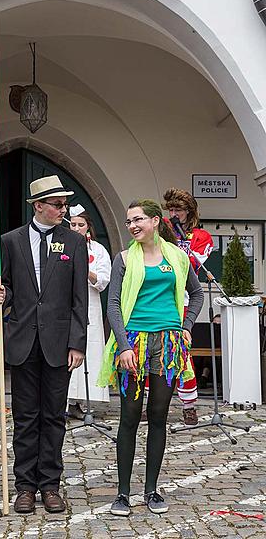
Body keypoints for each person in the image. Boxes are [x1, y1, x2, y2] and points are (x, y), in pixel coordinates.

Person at [98, 199, 203, 517]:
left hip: (169, 344)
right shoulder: (124, 258)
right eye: (129, 221)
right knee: (129, 417)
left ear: (156, 221)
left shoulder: (177, 257)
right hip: (135, 343)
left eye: (138, 219)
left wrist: (186, 326)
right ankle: (123, 493)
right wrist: (124, 345)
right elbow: (113, 303)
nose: (132, 225)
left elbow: (195, 293)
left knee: (158, 417)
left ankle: (152, 490)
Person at [0, 175, 88, 515]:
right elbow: (6, 286)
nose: (64, 209)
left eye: (65, 204)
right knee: (25, 416)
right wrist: (2, 297)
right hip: (22, 340)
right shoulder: (10, 240)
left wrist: (77, 342)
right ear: (39, 206)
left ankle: (50, 484)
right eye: (58, 204)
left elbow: (80, 298)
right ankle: (24, 486)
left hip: (58, 342)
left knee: (53, 416)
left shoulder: (74, 243)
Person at [164, 187, 213, 424]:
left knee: (181, 351)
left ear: (189, 212)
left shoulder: (201, 236)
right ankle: (155, 403)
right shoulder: (163, 228)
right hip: (160, 297)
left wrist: (181, 238)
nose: (174, 214)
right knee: (155, 349)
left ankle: (189, 404)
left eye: (179, 210)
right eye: (171, 209)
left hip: (182, 298)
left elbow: (194, 263)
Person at [67, 204, 111, 418]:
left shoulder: (98, 250)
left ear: (88, 227)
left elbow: (103, 280)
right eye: (73, 224)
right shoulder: (61, 245)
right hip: (65, 306)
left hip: (90, 306)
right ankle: (62, 401)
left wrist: (86, 269)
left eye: (80, 225)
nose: (76, 228)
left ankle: (78, 401)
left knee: (88, 351)